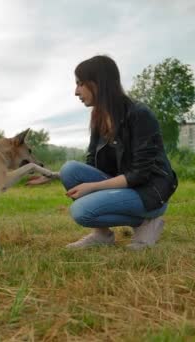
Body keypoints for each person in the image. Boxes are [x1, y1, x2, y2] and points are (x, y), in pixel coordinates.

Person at [28, 55, 178, 250]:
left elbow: (140, 174)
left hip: (150, 193)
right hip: (126, 188)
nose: (76, 92)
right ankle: (102, 235)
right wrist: (53, 176)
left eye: (80, 84)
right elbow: (92, 165)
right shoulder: (99, 117)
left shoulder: (139, 114)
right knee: (69, 169)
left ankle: (147, 223)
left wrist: (94, 187)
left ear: (98, 83)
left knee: (82, 211)